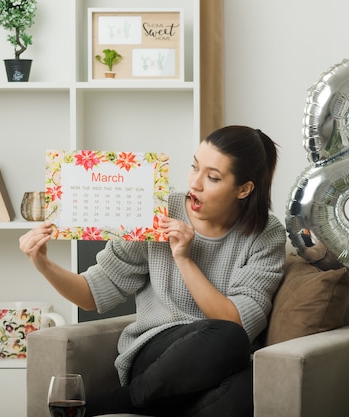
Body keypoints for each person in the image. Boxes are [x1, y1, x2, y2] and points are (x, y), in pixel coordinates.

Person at [19, 125, 287, 417]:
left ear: (244, 189)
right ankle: (132, 397)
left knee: (247, 379)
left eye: (212, 177)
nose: (195, 183)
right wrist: (43, 264)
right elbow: (91, 294)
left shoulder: (266, 234)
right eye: (194, 167)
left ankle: (125, 402)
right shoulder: (157, 209)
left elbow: (234, 322)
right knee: (231, 340)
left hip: (218, 360)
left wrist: (184, 258)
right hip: (156, 355)